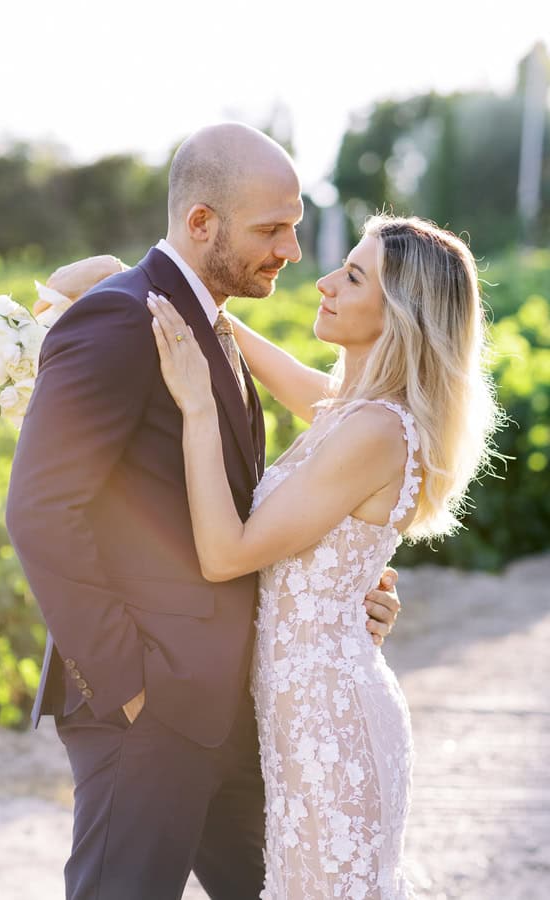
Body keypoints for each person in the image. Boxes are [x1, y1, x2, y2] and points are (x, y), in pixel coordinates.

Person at [5, 123, 401, 900]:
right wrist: (129, 686)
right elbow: (40, 508)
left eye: (293, 225)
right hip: (149, 709)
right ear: (200, 223)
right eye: (272, 228)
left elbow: (241, 505)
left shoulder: (208, 324)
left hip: (230, 704)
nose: (292, 249)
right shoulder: (120, 319)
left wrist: (341, 580)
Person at [147, 213, 501, 899]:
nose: (323, 282)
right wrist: (187, 297)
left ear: (398, 313)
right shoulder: (351, 410)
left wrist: (196, 408)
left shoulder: (373, 429)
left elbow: (226, 554)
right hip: (305, 719)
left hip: (330, 730)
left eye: (354, 275)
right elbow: (261, 358)